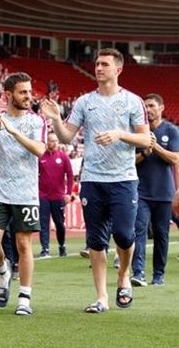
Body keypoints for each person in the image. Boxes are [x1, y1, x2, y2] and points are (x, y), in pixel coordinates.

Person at [42, 48, 150, 314]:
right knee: (96, 241)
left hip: (124, 179)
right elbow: (66, 137)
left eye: (104, 64)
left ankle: (123, 275)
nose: (98, 67)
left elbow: (146, 139)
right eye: (97, 63)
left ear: (118, 69)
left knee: (125, 236)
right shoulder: (84, 101)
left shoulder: (133, 101)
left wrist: (119, 134)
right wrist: (56, 119)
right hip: (92, 180)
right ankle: (101, 297)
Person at [0, 72, 47, 316]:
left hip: (26, 193)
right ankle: (3, 272)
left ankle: (24, 299)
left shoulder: (36, 121)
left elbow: (39, 149)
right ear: (9, 95)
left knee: (23, 244)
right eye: (23, 92)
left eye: (29, 92)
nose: (28, 96)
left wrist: (15, 132)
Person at [130, 94, 179, 287]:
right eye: (145, 106)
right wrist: (144, 152)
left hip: (164, 192)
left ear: (161, 108)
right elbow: (130, 161)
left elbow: (175, 158)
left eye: (151, 106)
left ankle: (158, 273)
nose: (148, 109)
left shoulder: (171, 130)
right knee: (138, 231)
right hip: (140, 191)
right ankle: (138, 272)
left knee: (161, 234)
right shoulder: (136, 132)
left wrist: (155, 146)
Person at [38, 133, 74, 258]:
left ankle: (62, 245)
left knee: (59, 223)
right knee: (43, 223)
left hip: (58, 196)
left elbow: (70, 175)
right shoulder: (41, 157)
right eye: (52, 141)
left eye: (56, 141)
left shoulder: (63, 157)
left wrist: (68, 193)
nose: (54, 143)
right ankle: (45, 248)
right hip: (43, 195)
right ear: (47, 142)